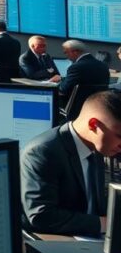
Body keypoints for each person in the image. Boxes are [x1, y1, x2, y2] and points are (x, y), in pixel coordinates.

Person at [21, 90, 121, 236]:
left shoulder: (102, 144)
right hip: (55, 241)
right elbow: (41, 216)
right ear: (93, 125)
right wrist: (104, 223)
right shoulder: (44, 151)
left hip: (93, 236)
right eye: (120, 136)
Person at [59, 39, 111, 108]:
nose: (66, 56)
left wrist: (59, 82)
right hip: (99, 107)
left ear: (75, 52)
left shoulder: (75, 67)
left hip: (77, 109)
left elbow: (63, 90)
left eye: (66, 52)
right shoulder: (103, 65)